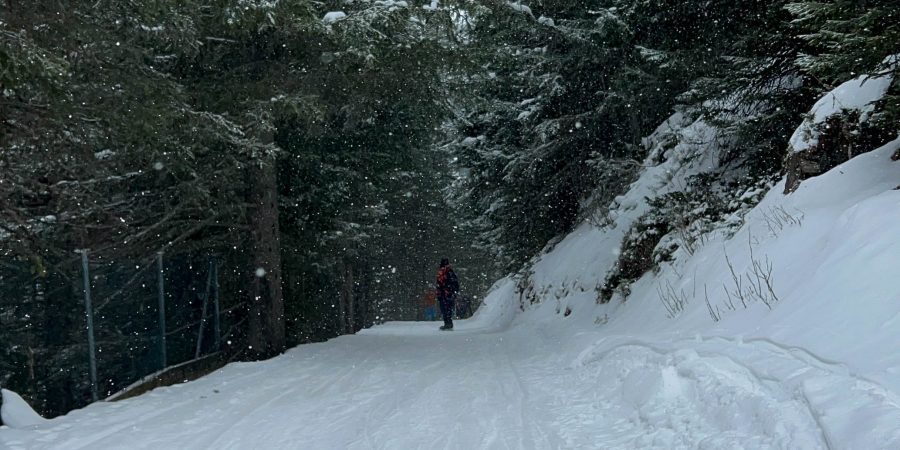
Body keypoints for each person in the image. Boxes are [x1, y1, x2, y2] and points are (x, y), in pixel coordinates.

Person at [435, 258, 459, 330]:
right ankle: (448, 323)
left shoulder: (443, 272)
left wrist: (444, 289)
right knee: (447, 308)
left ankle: (448, 323)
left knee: (445, 308)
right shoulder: (449, 272)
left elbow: (440, 284)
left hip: (445, 293)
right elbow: (455, 283)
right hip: (447, 293)